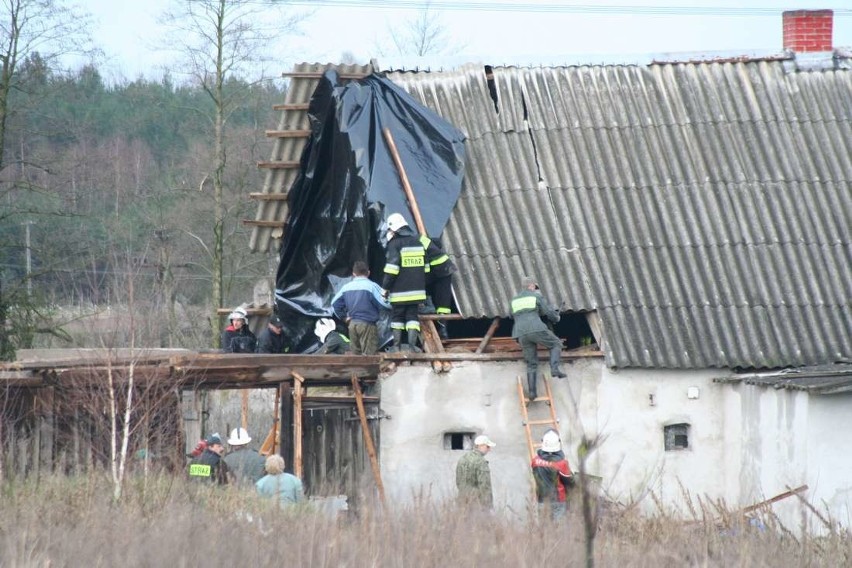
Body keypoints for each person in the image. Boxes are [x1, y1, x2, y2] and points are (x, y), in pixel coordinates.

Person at [510, 276, 567, 400]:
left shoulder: (514, 300)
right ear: (531, 286)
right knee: (556, 343)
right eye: (535, 287)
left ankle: (532, 393)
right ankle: (554, 369)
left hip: (520, 333)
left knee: (531, 363)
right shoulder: (536, 296)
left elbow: (512, 315)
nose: (535, 289)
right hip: (536, 328)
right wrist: (556, 318)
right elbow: (548, 312)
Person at [381, 213, 427, 352]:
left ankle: (397, 348)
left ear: (394, 228)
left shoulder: (395, 244)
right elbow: (426, 268)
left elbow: (392, 269)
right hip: (417, 292)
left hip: (400, 292)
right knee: (413, 318)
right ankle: (412, 348)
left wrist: (385, 288)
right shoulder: (418, 242)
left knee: (397, 318)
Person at [331, 260, 390, 355]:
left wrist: (344, 318)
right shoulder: (372, 286)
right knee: (370, 356)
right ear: (368, 273)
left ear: (353, 274)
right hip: (367, 325)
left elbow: (334, 304)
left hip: (352, 325)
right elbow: (385, 303)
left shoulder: (346, 287)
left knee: (356, 357)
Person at [531, 429, 574, 521]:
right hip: (558, 501)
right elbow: (569, 483)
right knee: (558, 530)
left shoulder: (535, 461)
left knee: (545, 529)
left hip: (542, 500)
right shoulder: (562, 463)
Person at [419, 234, 456, 316]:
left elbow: (424, 271)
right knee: (443, 300)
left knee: (442, 297)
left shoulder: (415, 243)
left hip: (442, 268)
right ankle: (443, 324)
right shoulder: (423, 240)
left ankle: (429, 306)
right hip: (445, 267)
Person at [455, 434, 496, 509]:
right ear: (481, 446)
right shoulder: (481, 462)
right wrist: (488, 506)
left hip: (462, 502)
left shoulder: (462, 459)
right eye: (488, 447)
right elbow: (485, 486)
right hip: (476, 504)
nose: (489, 449)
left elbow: (458, 482)